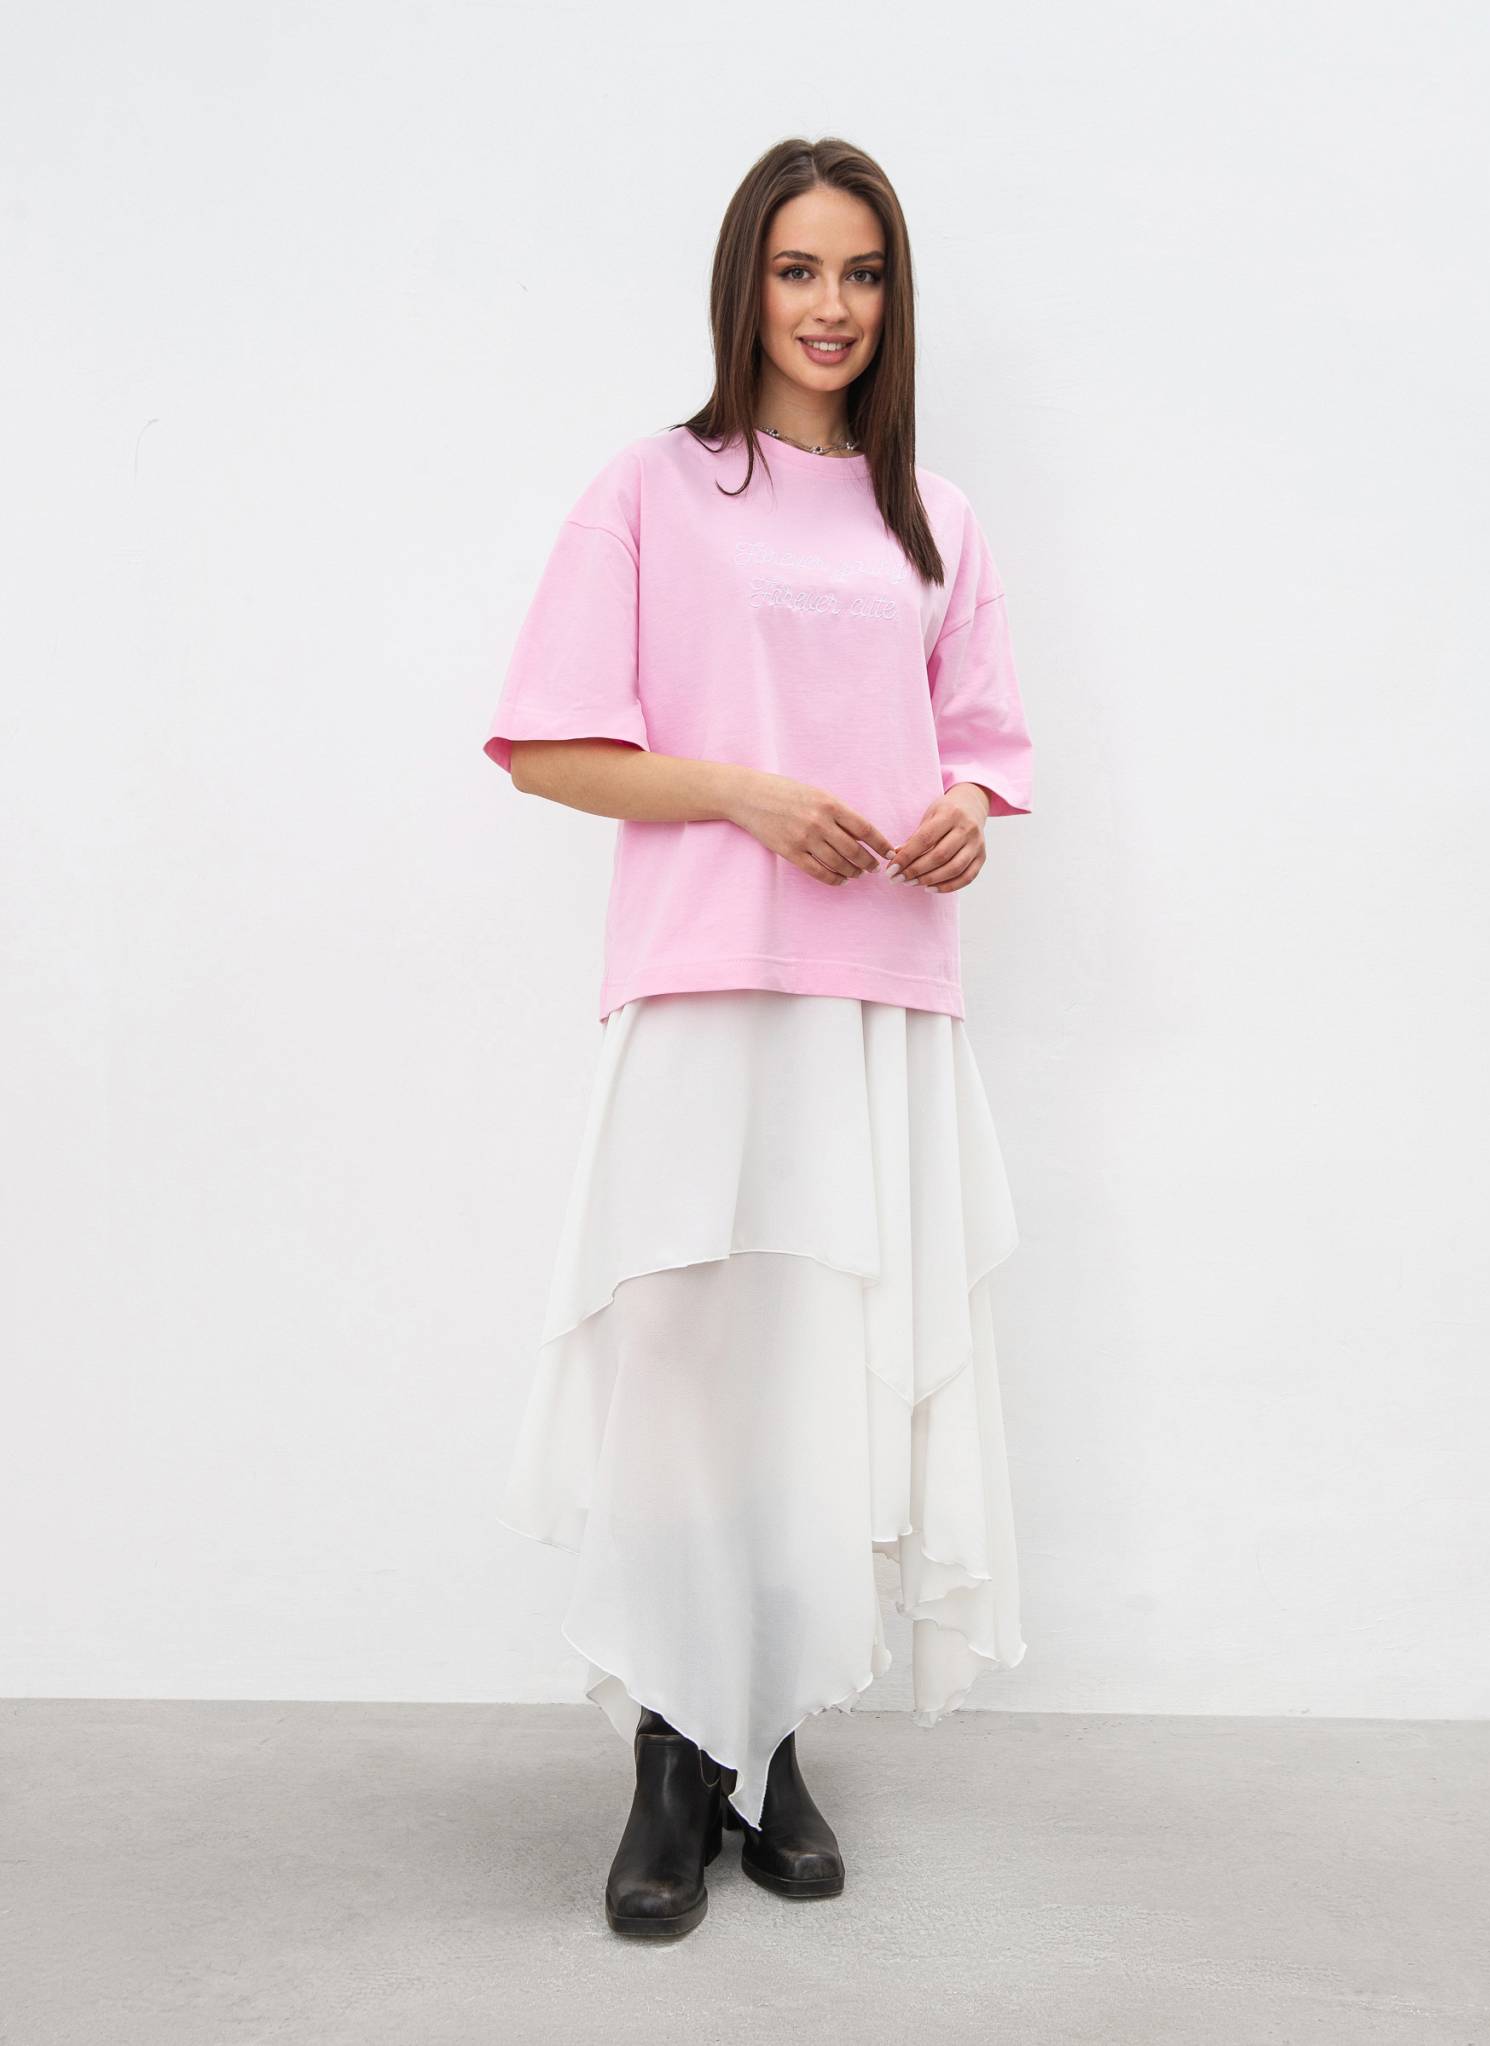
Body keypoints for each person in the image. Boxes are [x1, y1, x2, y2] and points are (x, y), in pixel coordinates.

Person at [482, 135, 1035, 1941]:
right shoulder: (653, 489)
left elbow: (981, 746)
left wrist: (963, 811)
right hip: (707, 972)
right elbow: (551, 746)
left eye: (862, 272)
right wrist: (745, 793)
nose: (831, 305)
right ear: (745, 282)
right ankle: (673, 1748)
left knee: (820, 1370)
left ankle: (771, 1737)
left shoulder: (933, 517)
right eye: (799, 268)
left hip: (877, 989)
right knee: (683, 1360)